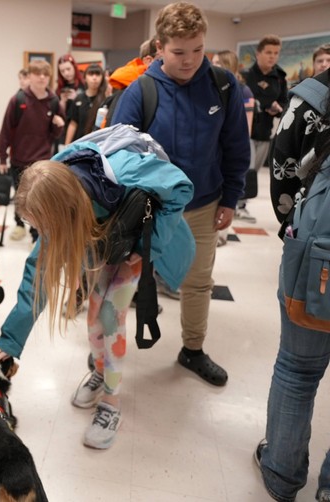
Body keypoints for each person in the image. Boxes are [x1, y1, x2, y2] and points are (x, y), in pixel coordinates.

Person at [0, 125, 195, 449]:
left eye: (42, 225)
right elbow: (38, 274)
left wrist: (145, 247)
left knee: (110, 319)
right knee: (93, 317)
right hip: (101, 240)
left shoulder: (124, 172)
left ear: (61, 210)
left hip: (129, 241)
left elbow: (180, 187)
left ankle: (111, 402)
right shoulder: (50, 187)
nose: (40, 232)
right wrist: (12, 339)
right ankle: (101, 371)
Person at [112, 1, 251, 387]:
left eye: (197, 50)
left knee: (198, 282)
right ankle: (106, 358)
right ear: (159, 46)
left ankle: (192, 349)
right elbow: (117, 155)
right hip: (149, 211)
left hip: (205, 204)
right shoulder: (141, 91)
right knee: (123, 281)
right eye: (178, 52)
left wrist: (230, 198)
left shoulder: (224, 86)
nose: (189, 60)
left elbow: (237, 147)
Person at [256, 83, 330, 502]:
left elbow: (282, 176)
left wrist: (293, 230)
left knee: (299, 370)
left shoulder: (313, 100)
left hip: (316, 259)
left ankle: (282, 474)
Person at [0, 59, 65, 242]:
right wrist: (2, 157)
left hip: (43, 160)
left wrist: (59, 126)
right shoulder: (18, 100)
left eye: (45, 74)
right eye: (37, 73)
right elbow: (6, 130)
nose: (42, 77)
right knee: (21, 198)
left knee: (40, 199)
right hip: (19, 158)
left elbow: (56, 132)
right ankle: (19, 225)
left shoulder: (53, 101)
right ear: (30, 76)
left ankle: (37, 234)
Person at [270, 68, 330, 226]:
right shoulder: (309, 100)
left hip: (313, 227)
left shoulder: (305, 101)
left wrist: (293, 227)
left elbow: (281, 178)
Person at [240, 35, 288, 223]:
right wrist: (266, 104)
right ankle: (238, 205)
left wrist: (278, 109)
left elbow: (285, 103)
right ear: (258, 53)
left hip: (265, 131)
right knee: (246, 168)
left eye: (276, 53)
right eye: (268, 52)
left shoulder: (280, 77)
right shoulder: (246, 76)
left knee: (255, 170)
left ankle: (241, 204)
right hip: (246, 130)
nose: (272, 57)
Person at [211, 49, 255, 246]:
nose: (214, 66)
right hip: (214, 150)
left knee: (227, 190)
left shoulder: (242, 91)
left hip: (231, 147)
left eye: (218, 62)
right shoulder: (212, 87)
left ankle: (221, 235)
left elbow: (245, 127)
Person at [64, 63, 108, 144]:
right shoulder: (79, 98)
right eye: (91, 74)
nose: (94, 78)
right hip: (79, 143)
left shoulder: (105, 99)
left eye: (98, 74)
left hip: (98, 144)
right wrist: (67, 144)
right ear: (85, 78)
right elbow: (73, 123)